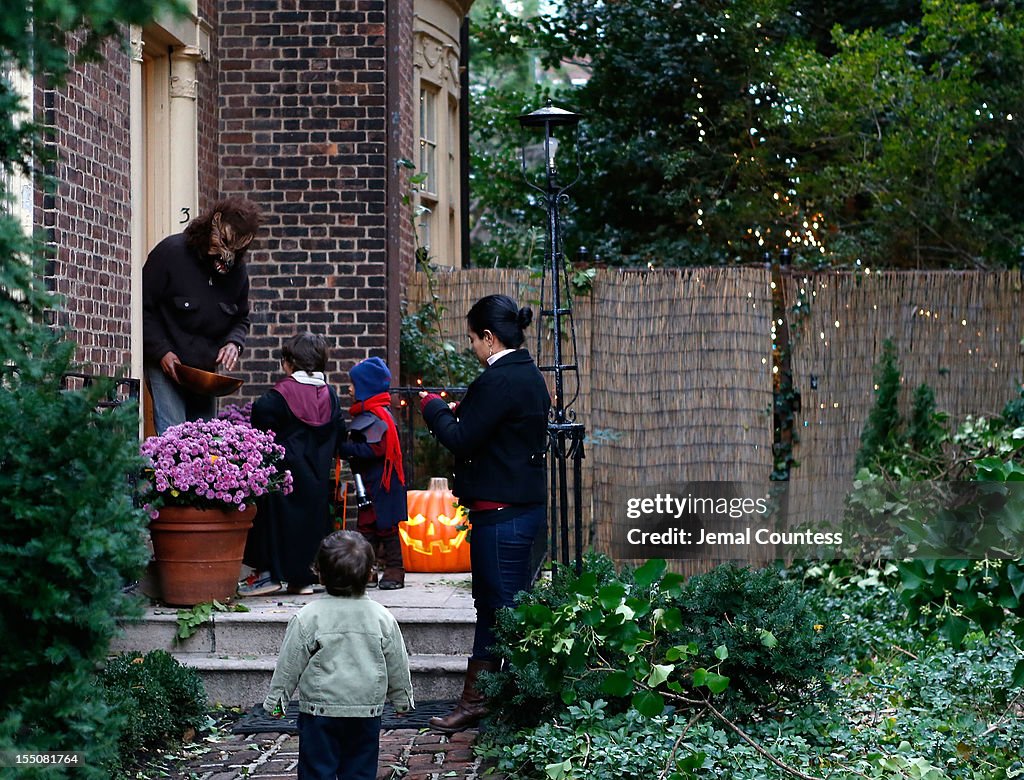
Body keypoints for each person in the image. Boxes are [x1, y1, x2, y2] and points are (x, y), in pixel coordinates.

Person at [418, 294, 550, 732]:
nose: (472, 347)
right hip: (518, 510)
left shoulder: (498, 379)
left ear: (490, 338)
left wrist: (432, 407)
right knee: (498, 608)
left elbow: (460, 439)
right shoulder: (526, 374)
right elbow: (493, 429)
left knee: (501, 610)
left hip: (503, 517)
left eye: (473, 339)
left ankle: (492, 703)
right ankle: (488, 700)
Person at [263, 530, 414, 780]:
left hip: (319, 712)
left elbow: (289, 663)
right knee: (360, 770)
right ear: (369, 574)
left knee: (316, 770)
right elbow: (397, 662)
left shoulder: (308, 617)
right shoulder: (382, 617)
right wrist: (402, 699)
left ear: (319, 573)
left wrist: (278, 699)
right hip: (366, 712)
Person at [142, 197, 262, 434]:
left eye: (236, 249)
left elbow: (241, 318)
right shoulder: (171, 253)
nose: (227, 255)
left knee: (204, 442)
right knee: (173, 437)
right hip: (167, 363)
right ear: (213, 224)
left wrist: (233, 343)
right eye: (225, 242)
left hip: (204, 373)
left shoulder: (237, 273)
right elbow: (142, 307)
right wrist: (161, 351)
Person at [239, 332, 346, 597]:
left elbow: (260, 421)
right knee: (310, 525)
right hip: (317, 478)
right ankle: (302, 580)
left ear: (290, 363)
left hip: (283, 478)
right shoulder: (330, 396)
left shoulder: (279, 396)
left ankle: (268, 575)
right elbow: (339, 434)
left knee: (269, 520)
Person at [339, 357, 408, 590]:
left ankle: (395, 570)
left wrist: (347, 449)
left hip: (382, 484)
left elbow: (376, 448)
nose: (349, 388)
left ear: (366, 387)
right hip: (368, 483)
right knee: (367, 527)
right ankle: (366, 570)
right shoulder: (366, 414)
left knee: (386, 527)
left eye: (353, 384)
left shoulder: (379, 416)